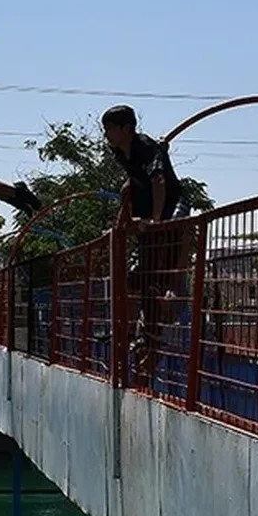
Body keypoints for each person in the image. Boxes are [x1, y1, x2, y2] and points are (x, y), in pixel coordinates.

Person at [102, 104, 189, 379]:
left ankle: (173, 294)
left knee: (164, 254)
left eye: (109, 129)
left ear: (126, 129)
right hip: (147, 207)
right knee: (139, 275)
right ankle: (141, 331)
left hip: (172, 205)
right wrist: (122, 224)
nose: (106, 135)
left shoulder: (146, 147)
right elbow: (130, 184)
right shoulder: (119, 151)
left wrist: (155, 221)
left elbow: (159, 182)